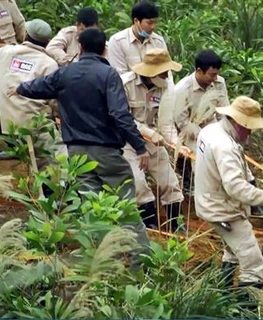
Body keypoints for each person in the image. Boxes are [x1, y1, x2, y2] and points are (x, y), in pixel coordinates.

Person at [9, 27, 150, 266]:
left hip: (77, 156)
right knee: (126, 208)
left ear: (80, 48)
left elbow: (39, 86)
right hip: (106, 153)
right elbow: (119, 114)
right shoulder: (108, 75)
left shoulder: (65, 73)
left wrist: (20, 89)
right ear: (104, 49)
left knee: (91, 209)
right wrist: (139, 146)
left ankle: (103, 261)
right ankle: (142, 263)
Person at [194, 96, 263, 294]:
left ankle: (223, 295)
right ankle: (243, 310)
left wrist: (251, 180)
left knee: (233, 250)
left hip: (209, 202)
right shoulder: (225, 146)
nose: (251, 131)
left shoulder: (210, 130)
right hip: (224, 211)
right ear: (236, 121)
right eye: (248, 126)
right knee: (254, 266)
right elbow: (235, 187)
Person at [121, 48, 188, 232]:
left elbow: (165, 121)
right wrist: (148, 133)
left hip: (152, 141)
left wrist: (177, 144)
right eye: (164, 72)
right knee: (138, 182)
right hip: (127, 141)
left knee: (169, 180)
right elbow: (122, 118)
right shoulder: (125, 84)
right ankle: (150, 225)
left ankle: (176, 224)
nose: (167, 76)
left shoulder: (164, 86)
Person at [0, 18, 66, 175]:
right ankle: (60, 193)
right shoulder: (49, 64)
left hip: (5, 125)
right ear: (47, 42)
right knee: (59, 161)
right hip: (34, 127)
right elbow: (55, 103)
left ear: (25, 35)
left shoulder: (5, 53)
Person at [174, 49, 229, 195]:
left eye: (217, 73)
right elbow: (181, 122)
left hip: (212, 125)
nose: (215, 78)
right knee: (201, 160)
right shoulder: (182, 89)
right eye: (212, 74)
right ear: (199, 71)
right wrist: (205, 136)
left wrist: (225, 133)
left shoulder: (219, 83)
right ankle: (197, 188)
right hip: (190, 130)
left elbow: (223, 111)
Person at [108, 0, 167, 75]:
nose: (153, 27)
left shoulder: (158, 42)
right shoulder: (117, 42)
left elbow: (167, 74)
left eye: (155, 22)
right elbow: (120, 76)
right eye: (149, 23)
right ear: (136, 21)